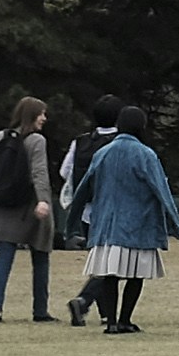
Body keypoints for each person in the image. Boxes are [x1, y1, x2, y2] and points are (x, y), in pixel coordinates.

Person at [68, 106, 179, 334]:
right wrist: (176, 225)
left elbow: (83, 189)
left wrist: (71, 224)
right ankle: (125, 320)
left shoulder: (102, 153)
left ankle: (111, 322)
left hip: (106, 224)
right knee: (136, 275)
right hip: (138, 224)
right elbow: (161, 190)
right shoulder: (145, 154)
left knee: (109, 275)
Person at [0, 96, 55, 322]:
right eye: (41, 114)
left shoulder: (0, 136)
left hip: (2, 204)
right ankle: (40, 310)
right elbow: (39, 172)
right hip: (27, 206)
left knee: (3, 258)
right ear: (32, 115)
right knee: (40, 256)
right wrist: (43, 200)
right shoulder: (37, 140)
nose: (44, 118)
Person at [58, 95, 122, 252]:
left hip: (85, 208)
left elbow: (64, 171)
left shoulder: (80, 141)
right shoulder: (123, 142)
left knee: (93, 253)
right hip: (116, 207)